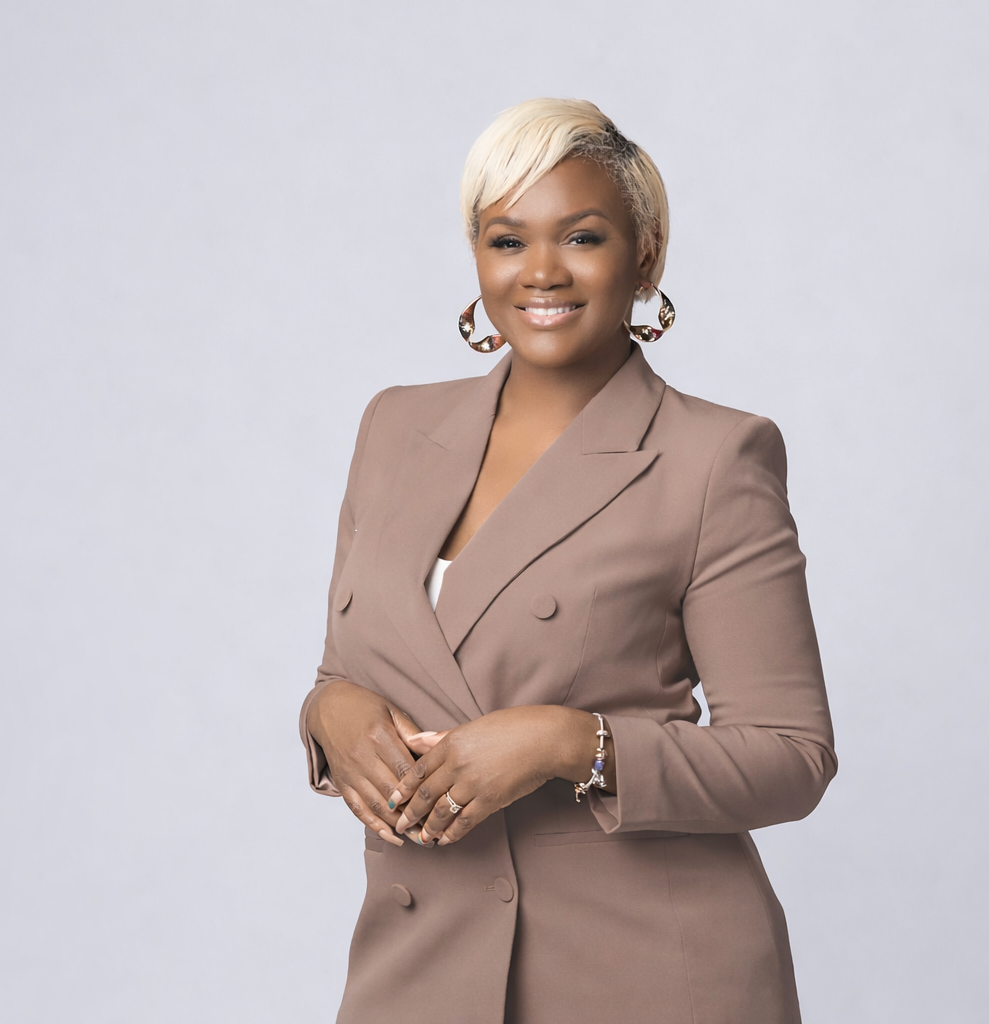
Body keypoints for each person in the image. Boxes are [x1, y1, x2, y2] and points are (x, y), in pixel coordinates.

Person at [298, 98, 836, 1024]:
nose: (541, 271)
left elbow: (793, 757)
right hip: (417, 967)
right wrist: (328, 716)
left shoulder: (714, 457)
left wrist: (567, 744)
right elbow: (355, 664)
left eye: (581, 236)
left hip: (644, 974)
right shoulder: (395, 426)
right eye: (507, 241)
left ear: (646, 253)